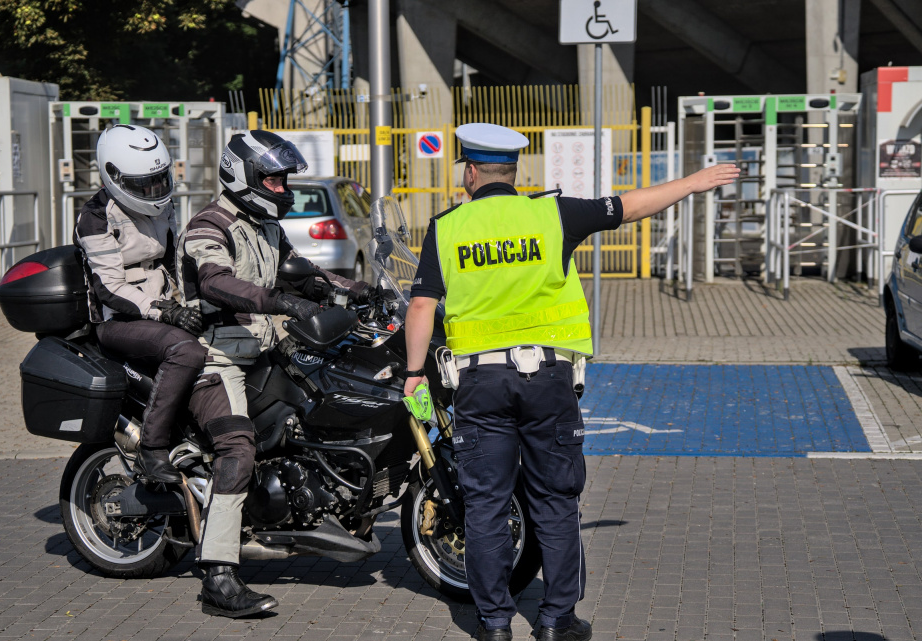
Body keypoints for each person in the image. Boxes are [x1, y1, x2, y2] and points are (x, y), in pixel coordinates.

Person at [403, 123, 739, 641]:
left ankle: (494, 624)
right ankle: (557, 620)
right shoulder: (551, 213)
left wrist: (412, 375)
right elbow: (630, 205)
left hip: (478, 384)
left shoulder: (446, 226)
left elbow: (422, 304)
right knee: (555, 500)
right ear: (513, 172)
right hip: (547, 381)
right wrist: (693, 182)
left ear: (470, 172)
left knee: (487, 504)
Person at [176, 130, 375, 618]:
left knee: (323, 399)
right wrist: (280, 302)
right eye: (274, 179)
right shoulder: (209, 225)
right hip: (215, 359)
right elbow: (217, 281)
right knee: (237, 448)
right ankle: (219, 577)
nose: (283, 189)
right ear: (241, 175)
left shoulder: (264, 224)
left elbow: (300, 271)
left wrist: (356, 289)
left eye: (285, 180)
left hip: (260, 351)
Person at [75, 124, 205, 484]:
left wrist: (204, 298)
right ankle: (151, 448)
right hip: (118, 321)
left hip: (160, 310)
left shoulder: (163, 205)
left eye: (159, 180)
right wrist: (165, 311)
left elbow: (174, 260)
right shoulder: (95, 217)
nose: (154, 192)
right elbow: (109, 288)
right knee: (185, 352)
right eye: (143, 184)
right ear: (113, 176)